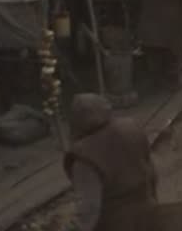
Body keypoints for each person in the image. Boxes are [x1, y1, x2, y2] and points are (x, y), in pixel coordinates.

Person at [64, 93, 159, 231]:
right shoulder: (131, 129)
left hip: (116, 224)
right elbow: (152, 173)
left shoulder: (84, 157)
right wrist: (154, 205)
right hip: (149, 213)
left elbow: (89, 208)